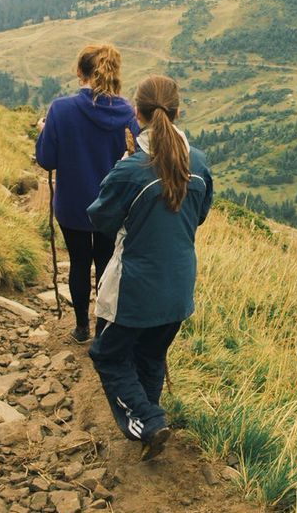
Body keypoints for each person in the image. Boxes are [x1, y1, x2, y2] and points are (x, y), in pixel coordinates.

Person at [86, 74, 213, 460]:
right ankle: (150, 430)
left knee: (107, 354)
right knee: (151, 355)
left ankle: (148, 419)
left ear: (136, 113)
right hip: (178, 284)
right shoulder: (199, 164)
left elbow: (101, 220)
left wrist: (121, 168)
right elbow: (200, 215)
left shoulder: (131, 170)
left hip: (136, 287)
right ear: (176, 112)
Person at [35, 44, 139, 343]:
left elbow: (47, 160)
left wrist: (44, 131)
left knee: (80, 262)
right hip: (113, 207)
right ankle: (104, 329)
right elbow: (135, 159)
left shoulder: (61, 109)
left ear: (80, 73)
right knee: (107, 262)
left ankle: (81, 327)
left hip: (73, 204)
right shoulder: (128, 114)